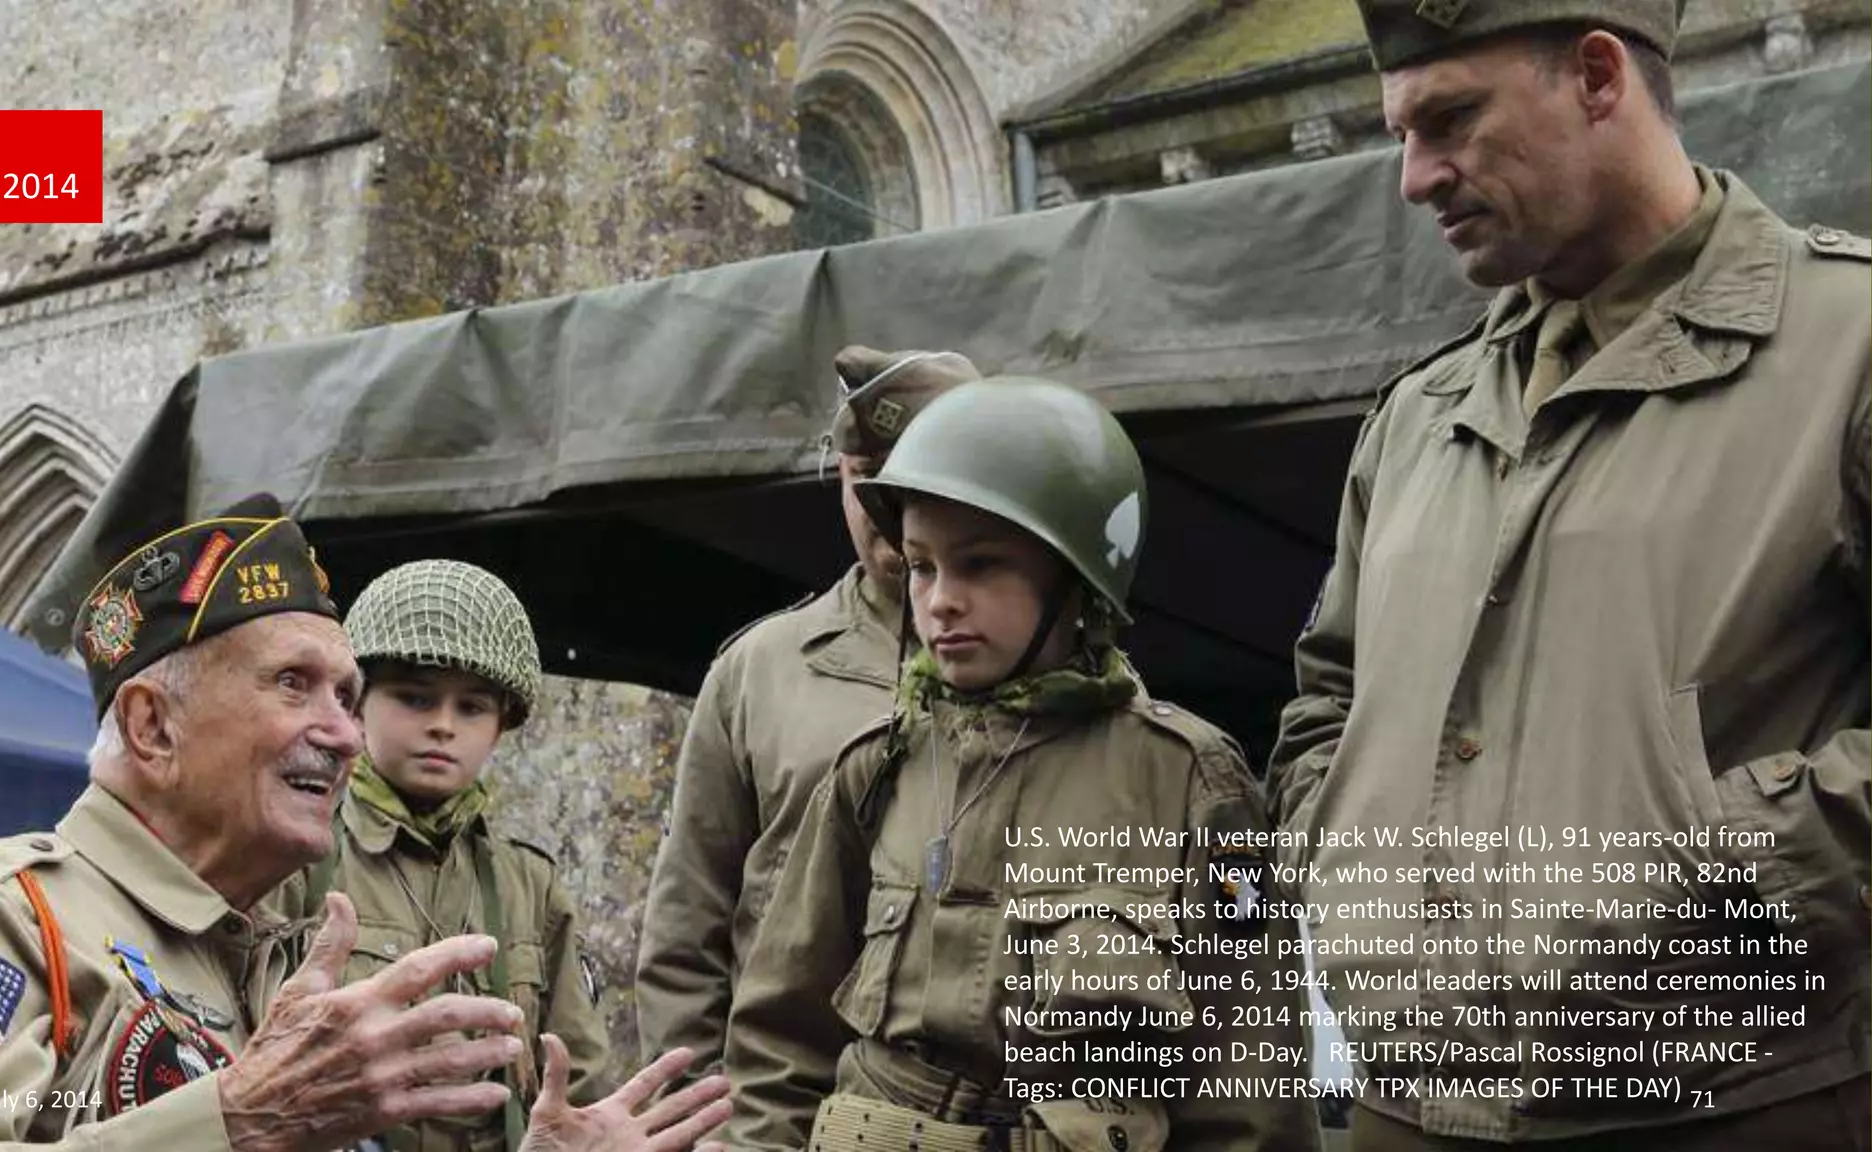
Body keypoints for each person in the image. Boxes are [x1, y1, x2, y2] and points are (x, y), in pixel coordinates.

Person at [1269, 4, 1870, 1149]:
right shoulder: (1415, 419)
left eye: (1447, 119)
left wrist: (1734, 867)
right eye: (1398, 132)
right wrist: (1342, 865)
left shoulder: (1847, 348)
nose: (1412, 178)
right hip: (1410, 1111)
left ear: (1597, 78)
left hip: (1735, 1104)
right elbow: (1324, 702)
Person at [0, 495, 731, 1152]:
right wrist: (242, 1119)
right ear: (152, 725)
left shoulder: (277, 969)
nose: (342, 734)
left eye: (347, 696)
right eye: (292, 685)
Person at [723, 378, 1321, 1151]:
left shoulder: (1191, 784)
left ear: (1078, 581)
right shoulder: (875, 770)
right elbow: (781, 1038)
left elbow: (1249, 1087)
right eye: (922, 566)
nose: (940, 600)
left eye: (981, 565)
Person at [634, 345, 980, 1079]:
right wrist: (701, 1119)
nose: (885, 505)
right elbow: (686, 930)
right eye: (865, 478)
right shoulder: (760, 670)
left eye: (915, 470)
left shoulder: (1056, 671)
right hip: (786, 1106)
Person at [274, 558, 614, 1150]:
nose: (442, 726)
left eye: (472, 708)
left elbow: (579, 1081)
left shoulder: (527, 884)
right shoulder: (295, 856)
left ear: (502, 726)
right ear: (355, 707)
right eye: (414, 698)